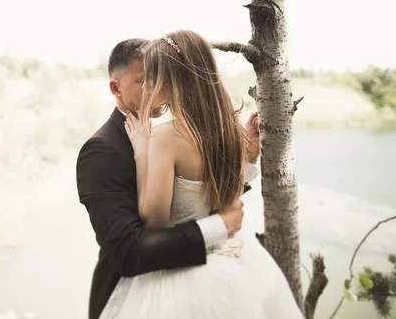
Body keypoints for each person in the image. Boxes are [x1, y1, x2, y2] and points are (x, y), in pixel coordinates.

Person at [97, 31, 304, 318]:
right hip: (232, 264)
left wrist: (143, 155)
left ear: (171, 80)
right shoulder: (231, 130)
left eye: (154, 77)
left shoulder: (164, 138)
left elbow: (155, 221)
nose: (151, 87)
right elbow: (222, 200)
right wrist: (249, 156)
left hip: (178, 283)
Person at [76, 38, 260, 319]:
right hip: (134, 299)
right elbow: (128, 251)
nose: (157, 87)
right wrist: (218, 227)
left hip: (199, 287)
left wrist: (247, 160)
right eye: (144, 80)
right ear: (116, 88)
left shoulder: (169, 135)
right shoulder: (102, 150)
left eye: (159, 77)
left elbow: (197, 194)